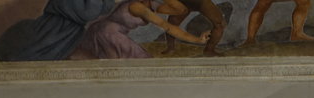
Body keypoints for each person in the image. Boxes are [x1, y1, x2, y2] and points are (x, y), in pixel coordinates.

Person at [75, 0, 213, 58]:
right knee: (140, 59)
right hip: (106, 33)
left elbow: (180, 9)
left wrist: (198, 40)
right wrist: (197, 40)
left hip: (112, 33)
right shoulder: (137, 6)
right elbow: (168, 27)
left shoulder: (152, 5)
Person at [0, 0, 119, 61]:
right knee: (31, 48)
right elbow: (88, 13)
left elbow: (106, 7)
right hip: (57, 27)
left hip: (68, 30)